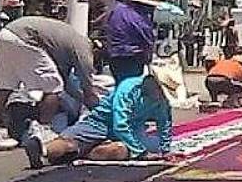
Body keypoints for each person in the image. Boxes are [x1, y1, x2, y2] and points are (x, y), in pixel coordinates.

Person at [27, 68, 177, 167]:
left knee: (122, 150)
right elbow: (120, 124)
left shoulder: (161, 102)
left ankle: (86, 153)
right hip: (101, 122)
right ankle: (42, 150)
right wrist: (141, 151)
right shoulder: (129, 88)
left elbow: (164, 124)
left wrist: (165, 150)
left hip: (132, 129)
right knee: (69, 142)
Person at [0, 15, 101, 144]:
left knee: (6, 86)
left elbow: (67, 83)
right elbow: (86, 80)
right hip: (26, 38)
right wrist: (93, 102)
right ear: (95, 49)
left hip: (6, 34)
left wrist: (81, 97)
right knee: (53, 87)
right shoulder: (84, 46)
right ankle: (44, 129)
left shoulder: (64, 45)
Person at [104, 0, 161, 79]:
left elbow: (106, 26)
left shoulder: (118, 9)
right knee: (130, 86)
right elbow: (149, 45)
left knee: (120, 84)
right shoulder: (142, 21)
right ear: (148, 6)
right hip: (131, 59)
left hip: (113, 57)